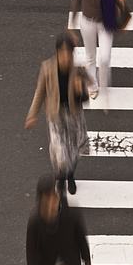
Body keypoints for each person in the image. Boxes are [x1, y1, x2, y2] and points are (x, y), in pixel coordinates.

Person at [25, 34, 90, 195]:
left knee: (74, 151)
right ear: (57, 51)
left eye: (69, 52)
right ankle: (60, 178)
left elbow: (86, 98)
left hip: (74, 115)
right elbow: (40, 93)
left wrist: (80, 89)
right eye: (63, 52)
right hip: (56, 115)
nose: (66, 57)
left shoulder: (78, 70)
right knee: (60, 153)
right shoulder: (47, 68)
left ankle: (70, 176)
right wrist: (33, 115)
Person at [71, 0, 121, 99]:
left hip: (106, 22)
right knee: (90, 56)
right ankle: (92, 85)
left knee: (105, 58)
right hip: (87, 22)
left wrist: (120, 5)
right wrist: (72, 24)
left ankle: (102, 80)